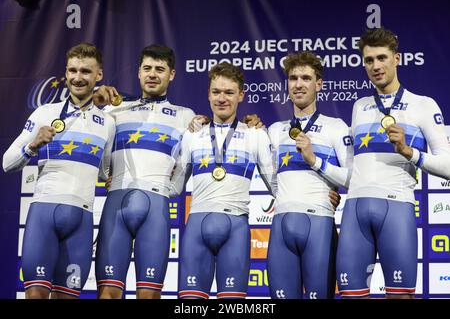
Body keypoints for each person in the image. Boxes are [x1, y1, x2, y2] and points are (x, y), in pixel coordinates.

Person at [93, 45, 264, 299]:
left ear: (171, 74)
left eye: (160, 69)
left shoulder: (188, 118)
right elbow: (98, 170)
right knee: (107, 294)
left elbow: (199, 152)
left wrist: (254, 123)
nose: (152, 74)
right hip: (117, 204)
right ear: (138, 72)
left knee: (149, 296)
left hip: (157, 208)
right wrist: (94, 107)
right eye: (147, 68)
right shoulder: (113, 113)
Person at [336, 27, 450, 299]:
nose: (375, 66)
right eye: (369, 60)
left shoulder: (422, 105)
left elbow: (447, 165)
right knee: (352, 296)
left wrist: (409, 152)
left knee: (400, 296)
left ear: (396, 59)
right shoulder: (359, 106)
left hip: (396, 207)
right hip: (354, 212)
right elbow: (353, 169)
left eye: (382, 58)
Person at [2, 43, 115, 299]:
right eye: (72, 70)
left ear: (98, 75)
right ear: (65, 72)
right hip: (44, 214)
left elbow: (103, 171)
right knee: (36, 296)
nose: (77, 77)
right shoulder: (45, 113)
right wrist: (32, 146)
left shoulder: (108, 123)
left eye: (85, 71)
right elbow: (7, 163)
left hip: (82, 220)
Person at [169, 62, 276, 299]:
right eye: (216, 92)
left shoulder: (256, 134)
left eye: (229, 93)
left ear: (241, 95)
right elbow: (173, 186)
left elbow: (277, 186)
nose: (222, 98)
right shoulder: (192, 134)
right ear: (208, 94)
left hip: (236, 228)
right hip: (197, 224)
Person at [267, 52, 353, 299]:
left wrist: (315, 162)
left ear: (319, 84)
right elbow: (271, 178)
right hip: (282, 224)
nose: (299, 84)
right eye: (293, 78)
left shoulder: (337, 127)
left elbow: (352, 179)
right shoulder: (274, 131)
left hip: (320, 226)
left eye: (306, 77)